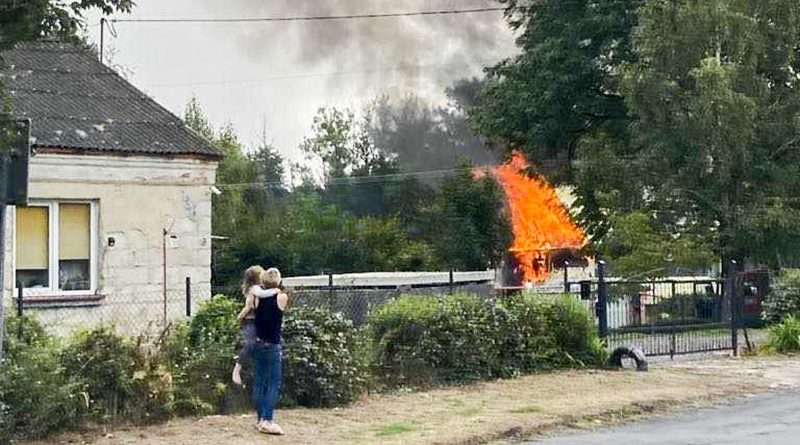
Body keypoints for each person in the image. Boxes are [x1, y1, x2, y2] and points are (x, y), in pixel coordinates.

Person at [251, 267, 289, 435]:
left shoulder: (257, 298)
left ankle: (260, 419)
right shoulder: (281, 297)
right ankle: (268, 419)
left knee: (260, 382)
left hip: (258, 342)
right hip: (272, 344)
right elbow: (279, 297)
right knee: (273, 383)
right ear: (278, 281)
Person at [231, 266, 279, 386]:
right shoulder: (255, 289)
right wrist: (276, 291)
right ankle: (237, 369)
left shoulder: (257, 288)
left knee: (262, 345)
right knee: (250, 344)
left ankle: (257, 373)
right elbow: (260, 297)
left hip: (258, 321)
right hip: (250, 321)